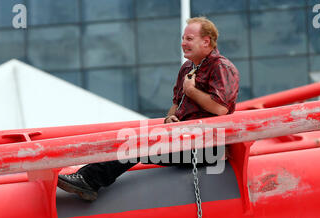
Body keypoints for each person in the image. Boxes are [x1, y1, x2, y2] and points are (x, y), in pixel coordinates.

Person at [57, 17, 240, 201]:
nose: (183, 43)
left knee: (136, 143)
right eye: (183, 38)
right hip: (183, 140)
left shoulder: (221, 67)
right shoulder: (187, 69)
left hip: (207, 149)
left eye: (189, 39)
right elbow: (175, 106)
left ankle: (88, 180)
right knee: (132, 138)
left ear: (206, 41)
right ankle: (85, 177)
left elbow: (220, 108)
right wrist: (170, 119)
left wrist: (191, 90)